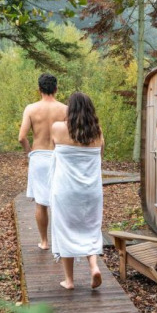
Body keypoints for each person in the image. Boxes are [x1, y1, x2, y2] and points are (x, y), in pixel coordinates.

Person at [50, 92, 104, 290]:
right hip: (91, 191)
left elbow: (52, 151)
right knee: (90, 228)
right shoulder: (97, 132)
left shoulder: (57, 128)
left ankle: (69, 281)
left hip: (65, 190)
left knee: (65, 229)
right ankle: (93, 265)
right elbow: (100, 159)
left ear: (69, 109)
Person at [18, 73, 67, 250]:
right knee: (60, 200)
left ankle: (44, 242)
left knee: (41, 202)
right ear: (56, 89)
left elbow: (22, 137)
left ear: (39, 89)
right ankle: (61, 242)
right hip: (59, 156)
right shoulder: (65, 109)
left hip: (38, 156)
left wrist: (29, 153)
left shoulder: (31, 109)